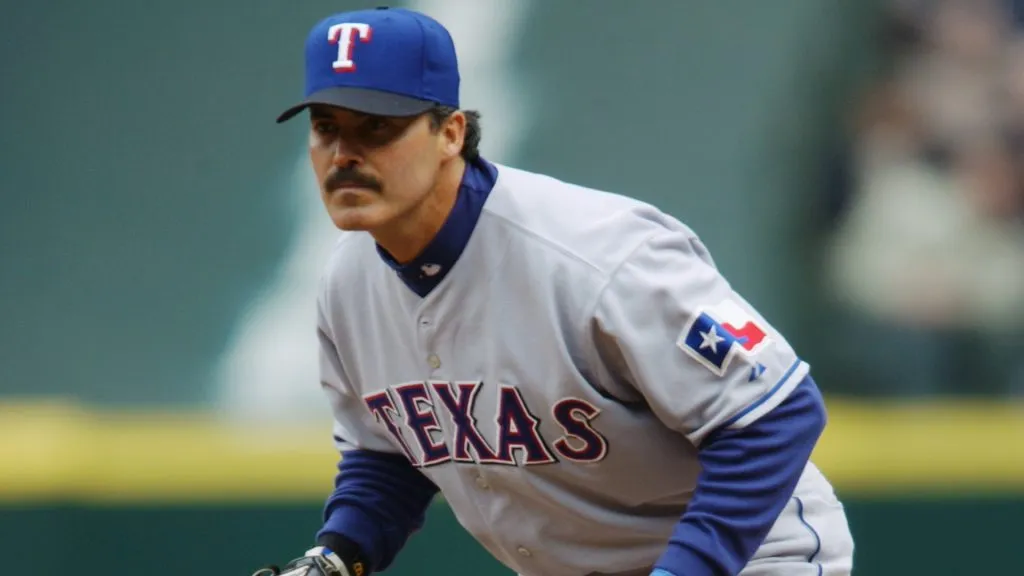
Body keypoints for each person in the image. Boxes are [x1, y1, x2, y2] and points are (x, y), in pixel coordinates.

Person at [254, 7, 854, 576]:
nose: (344, 154)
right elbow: (388, 461)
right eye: (326, 128)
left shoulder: (595, 255)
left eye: (377, 127)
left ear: (451, 134)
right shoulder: (346, 282)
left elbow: (777, 415)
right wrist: (338, 556)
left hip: (753, 559)